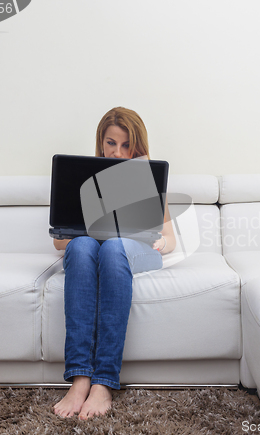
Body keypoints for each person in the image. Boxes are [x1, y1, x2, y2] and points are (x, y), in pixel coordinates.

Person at [52, 107, 176, 420]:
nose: (118, 152)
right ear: (101, 143)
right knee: (81, 247)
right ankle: (80, 378)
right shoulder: (86, 180)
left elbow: (170, 240)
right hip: (94, 249)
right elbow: (59, 242)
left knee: (114, 248)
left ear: (137, 146)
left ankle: (104, 381)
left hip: (135, 251)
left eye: (125, 145)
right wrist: (89, 232)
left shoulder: (147, 177)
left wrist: (159, 241)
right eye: (111, 144)